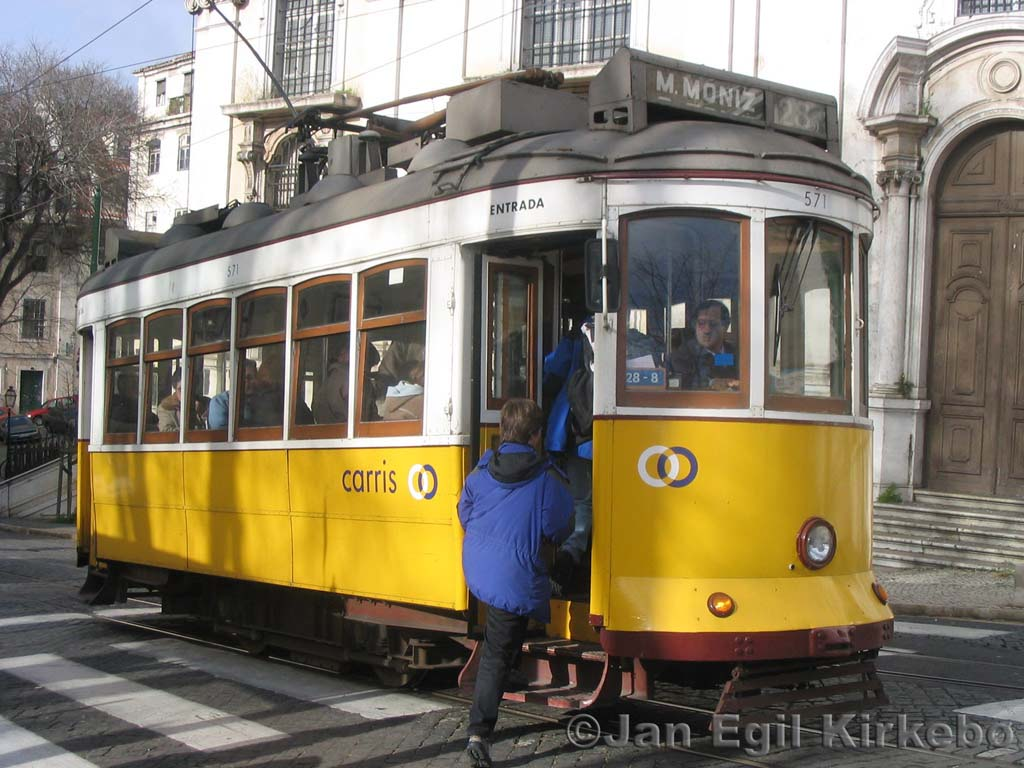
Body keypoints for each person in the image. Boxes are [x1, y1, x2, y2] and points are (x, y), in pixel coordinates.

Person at [458, 398, 573, 768]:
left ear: (504, 430)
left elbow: (464, 511)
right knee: (496, 650)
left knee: (505, 629)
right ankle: (478, 733)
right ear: (537, 436)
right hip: (513, 575)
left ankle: (511, 668)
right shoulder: (546, 478)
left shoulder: (481, 470)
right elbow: (559, 527)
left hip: (479, 566)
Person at [542, 317, 594, 593]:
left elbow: (550, 370)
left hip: (577, 434)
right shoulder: (631, 338)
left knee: (582, 501)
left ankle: (570, 556)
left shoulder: (573, 341)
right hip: (617, 435)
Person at [672, 299, 739, 391]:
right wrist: (711, 383)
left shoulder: (736, 353)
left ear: (725, 325)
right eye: (701, 323)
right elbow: (683, 383)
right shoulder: (682, 356)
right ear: (695, 325)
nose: (707, 330)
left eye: (713, 324)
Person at [208, 359, 257, 429]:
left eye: (252, 378)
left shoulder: (260, 400)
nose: (248, 382)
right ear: (233, 378)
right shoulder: (220, 402)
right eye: (245, 378)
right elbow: (221, 433)